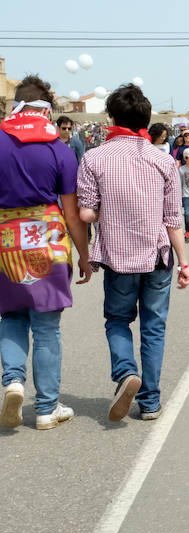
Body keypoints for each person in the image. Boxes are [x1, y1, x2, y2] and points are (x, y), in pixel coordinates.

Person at [77, 83, 189, 423]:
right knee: (154, 327)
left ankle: (127, 371)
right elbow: (173, 219)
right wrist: (184, 262)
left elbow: (86, 213)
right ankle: (151, 401)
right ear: (145, 119)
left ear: (112, 118)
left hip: (119, 256)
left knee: (117, 319)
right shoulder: (162, 160)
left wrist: (108, 208)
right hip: (158, 255)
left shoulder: (93, 157)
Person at [0, 75, 91, 430]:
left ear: (16, 105)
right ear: (46, 109)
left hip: (6, 241)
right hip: (48, 242)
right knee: (47, 327)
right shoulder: (60, 149)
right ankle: (46, 408)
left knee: (11, 317)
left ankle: (13, 381)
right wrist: (84, 254)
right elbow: (72, 213)